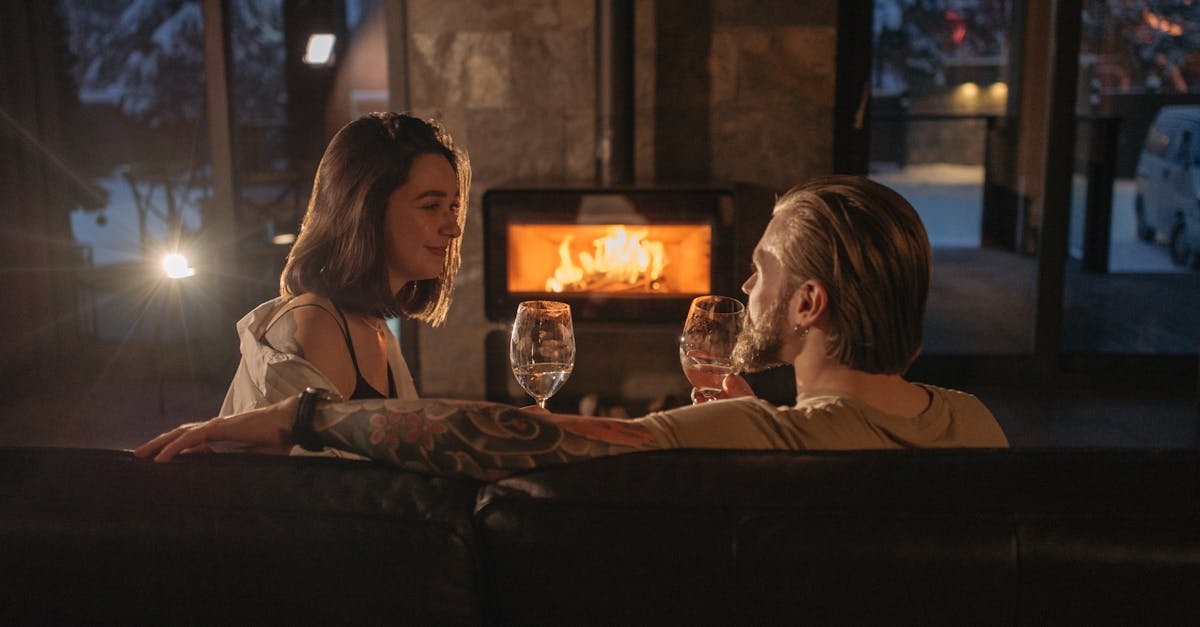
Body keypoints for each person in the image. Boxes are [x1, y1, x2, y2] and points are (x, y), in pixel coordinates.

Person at [136, 175, 1007, 478]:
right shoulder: (976, 425)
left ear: (810, 305)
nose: (744, 283)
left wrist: (307, 416)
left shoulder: (758, 433)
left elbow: (510, 438)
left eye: (763, 270)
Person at [218, 113, 469, 458]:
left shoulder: (373, 327)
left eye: (453, 207)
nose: (453, 228)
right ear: (366, 210)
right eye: (431, 206)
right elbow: (327, 497)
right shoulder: (319, 327)